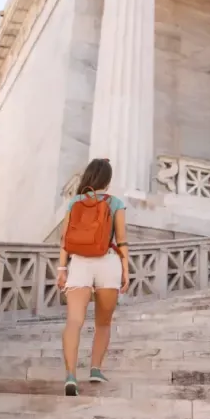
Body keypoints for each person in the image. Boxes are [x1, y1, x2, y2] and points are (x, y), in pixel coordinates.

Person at [56, 158, 129, 396]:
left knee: (74, 322)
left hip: (80, 263)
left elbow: (65, 238)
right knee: (103, 322)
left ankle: (70, 376)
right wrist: (126, 270)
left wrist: (62, 269)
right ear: (107, 181)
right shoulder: (115, 203)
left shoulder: (75, 202)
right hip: (108, 262)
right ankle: (96, 369)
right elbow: (122, 240)